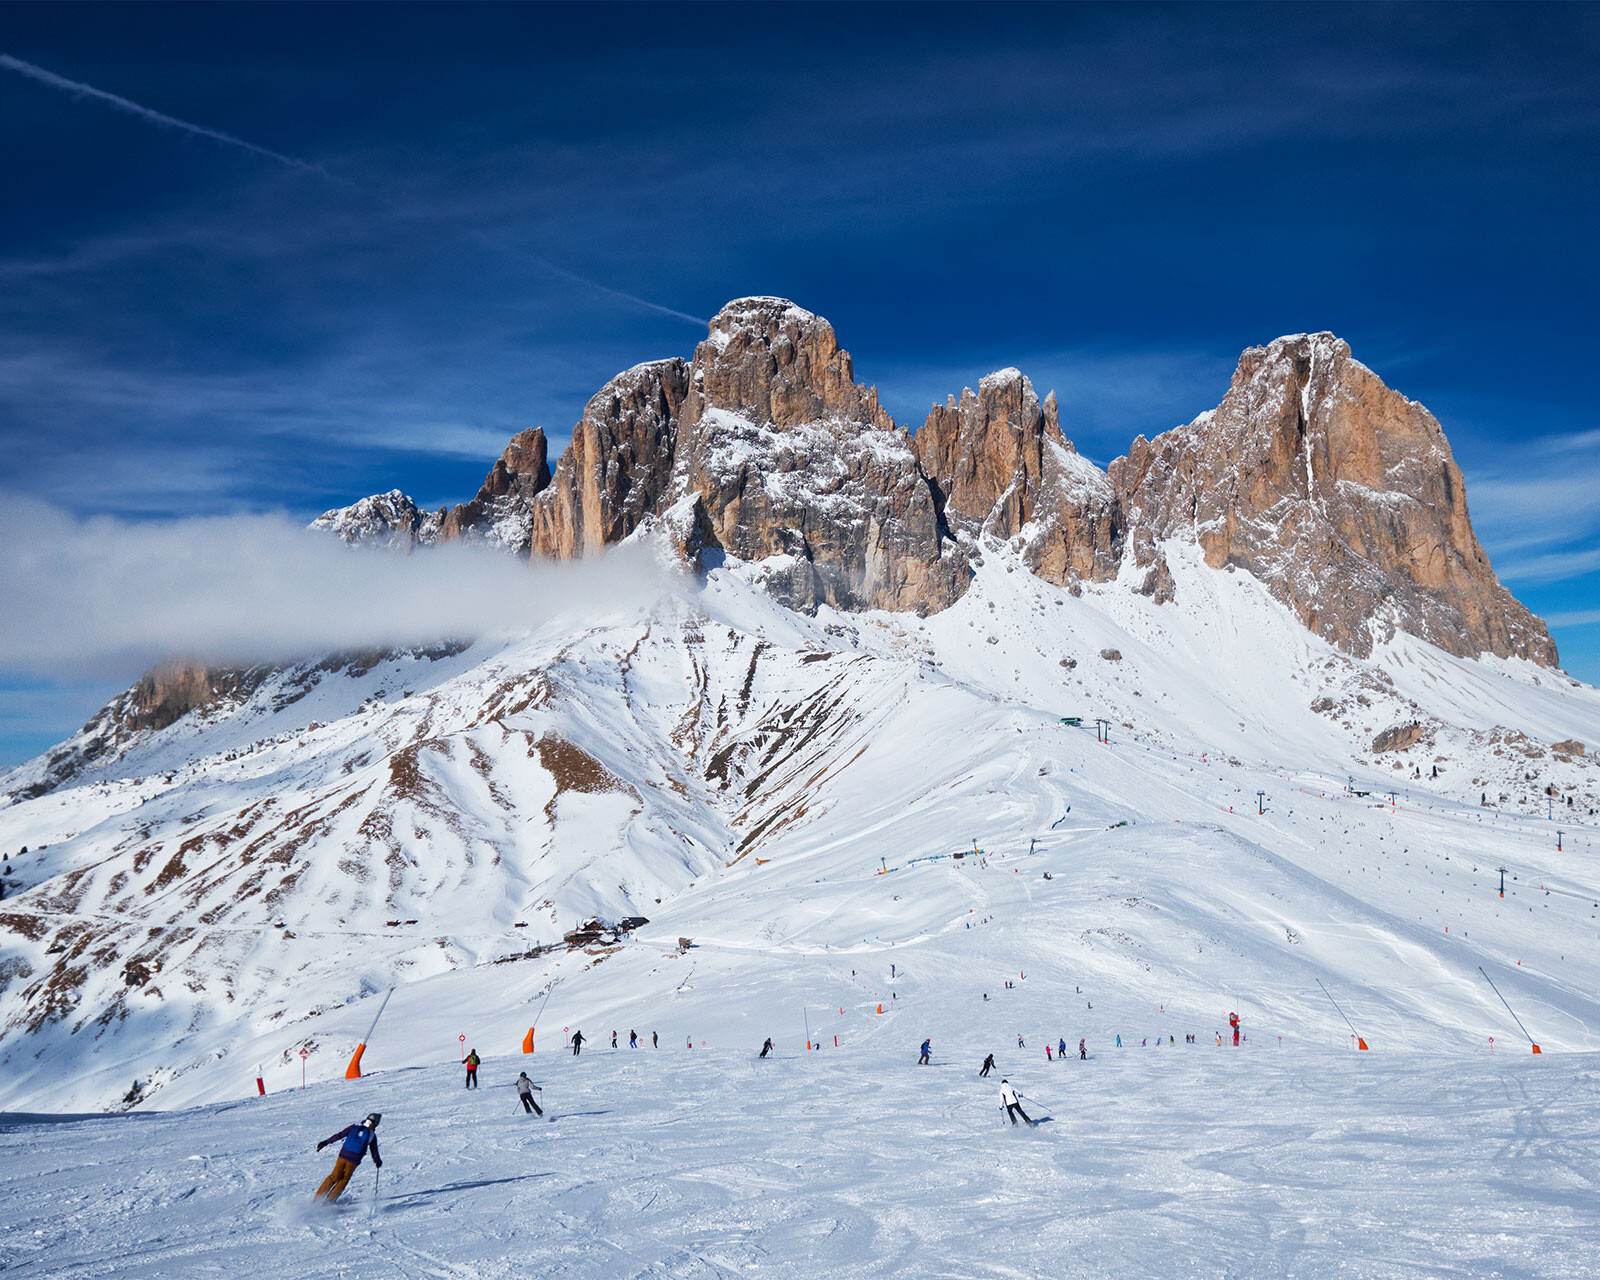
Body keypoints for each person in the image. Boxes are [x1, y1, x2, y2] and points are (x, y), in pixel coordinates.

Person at [314, 1113, 382, 1202]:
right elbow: (374, 1151)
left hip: (343, 1155)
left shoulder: (354, 1127)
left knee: (334, 1176)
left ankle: (317, 1199)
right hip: (354, 1159)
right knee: (344, 1179)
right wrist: (377, 1161)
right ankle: (329, 1201)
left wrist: (325, 1142)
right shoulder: (372, 1135)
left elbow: (339, 1135)